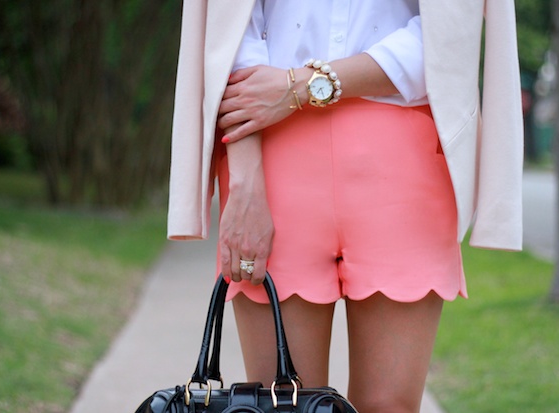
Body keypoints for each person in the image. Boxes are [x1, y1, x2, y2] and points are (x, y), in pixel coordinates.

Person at [168, 1, 523, 412]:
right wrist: (245, 179)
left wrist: (305, 85)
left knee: (388, 406)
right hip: (270, 156)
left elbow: (449, 32)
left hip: (404, 165)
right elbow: (230, 32)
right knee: (281, 404)